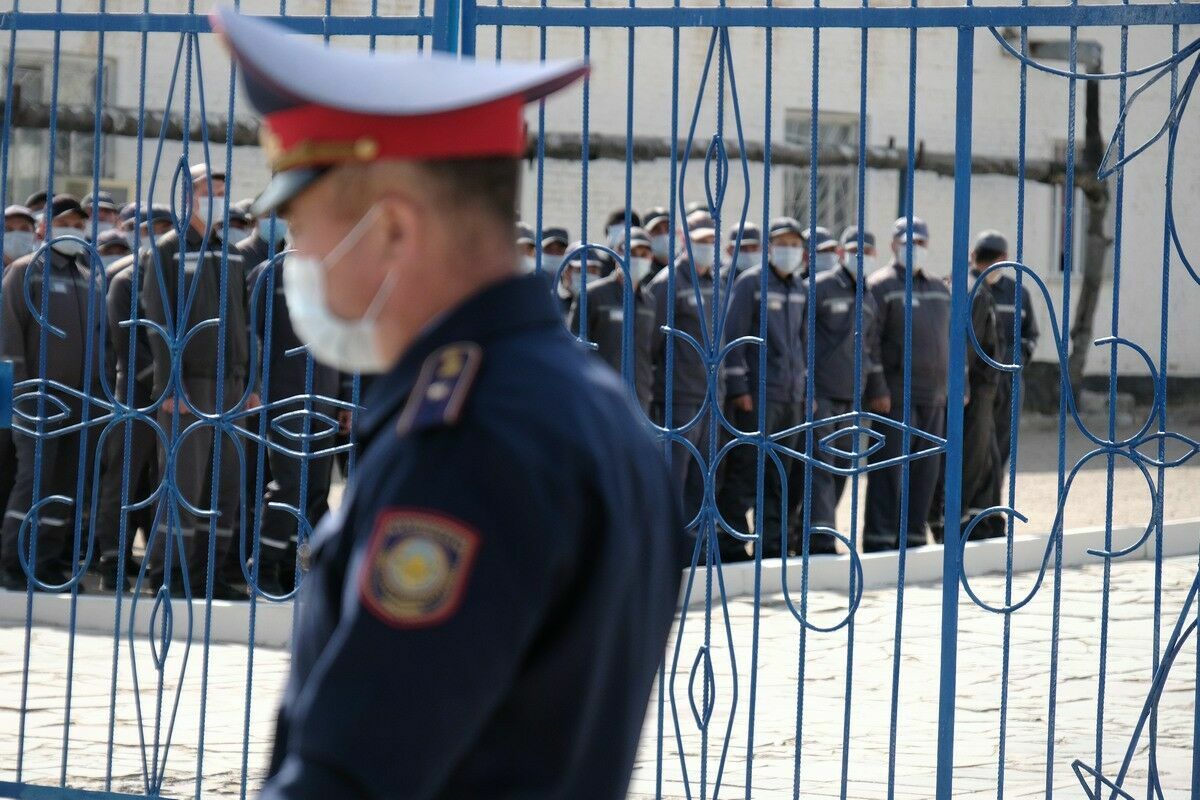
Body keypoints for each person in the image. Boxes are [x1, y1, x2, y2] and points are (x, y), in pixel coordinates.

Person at [212, 9, 685, 798]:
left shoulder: (470, 442)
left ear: (393, 229)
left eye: (299, 226)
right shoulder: (587, 402)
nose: (295, 260)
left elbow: (353, 775)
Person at [140, 162, 253, 598]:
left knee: (224, 485)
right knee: (182, 484)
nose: (217, 199)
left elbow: (244, 323)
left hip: (231, 385)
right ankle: (168, 574)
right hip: (188, 385)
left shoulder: (234, 252)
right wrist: (170, 384)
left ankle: (211, 574)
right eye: (209, 190)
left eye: (223, 191)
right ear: (187, 196)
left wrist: (250, 380)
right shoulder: (166, 250)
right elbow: (157, 321)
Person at [0, 195, 106, 590]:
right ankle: (13, 561)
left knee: (66, 485)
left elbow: (102, 343)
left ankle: (46, 562)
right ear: (44, 226)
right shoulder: (27, 273)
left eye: (79, 224)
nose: (73, 230)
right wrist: (23, 394)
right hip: (37, 401)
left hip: (82, 403)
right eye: (65, 222)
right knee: (34, 479)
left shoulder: (89, 276)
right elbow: (9, 337)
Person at [243, 220, 342, 596]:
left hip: (325, 398)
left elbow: (344, 338)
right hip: (282, 396)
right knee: (288, 487)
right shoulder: (269, 273)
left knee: (316, 492)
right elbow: (249, 336)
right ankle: (263, 570)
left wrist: (345, 394)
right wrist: (253, 387)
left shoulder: (332, 275)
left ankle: (302, 571)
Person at [718, 215, 808, 561]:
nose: (788, 251)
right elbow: (733, 338)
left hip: (790, 396)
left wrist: (804, 389)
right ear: (770, 248)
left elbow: (803, 343)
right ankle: (731, 543)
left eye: (794, 245)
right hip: (757, 395)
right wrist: (740, 386)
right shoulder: (751, 283)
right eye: (781, 244)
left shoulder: (800, 288)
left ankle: (772, 544)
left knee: (779, 473)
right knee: (745, 468)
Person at [863, 216, 950, 552]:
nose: (913, 249)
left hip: (934, 396)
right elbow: (868, 342)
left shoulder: (939, 289)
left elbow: (951, 342)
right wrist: (878, 387)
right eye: (906, 242)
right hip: (895, 396)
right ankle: (880, 541)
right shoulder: (880, 286)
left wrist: (960, 387)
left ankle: (913, 539)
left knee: (926, 472)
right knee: (889, 470)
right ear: (893, 245)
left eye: (919, 243)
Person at [804, 225, 888, 553]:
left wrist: (876, 387)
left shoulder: (868, 296)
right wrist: (807, 388)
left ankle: (811, 528)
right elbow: (803, 338)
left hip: (852, 395)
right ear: (840, 253)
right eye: (855, 250)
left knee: (842, 467)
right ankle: (820, 538)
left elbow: (871, 347)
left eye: (867, 252)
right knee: (821, 466)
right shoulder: (820, 287)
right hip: (821, 393)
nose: (860, 257)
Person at [90, 247, 159, 592]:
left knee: (162, 484)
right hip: (133, 397)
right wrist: (164, 385)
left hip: (174, 400)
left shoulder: (170, 281)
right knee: (122, 481)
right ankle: (112, 562)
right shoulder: (125, 282)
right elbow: (128, 344)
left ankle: (160, 563)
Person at [649, 207, 723, 522]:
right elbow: (652, 342)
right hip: (678, 397)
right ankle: (670, 551)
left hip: (712, 397)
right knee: (673, 479)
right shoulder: (668, 282)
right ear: (683, 239)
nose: (707, 246)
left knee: (704, 480)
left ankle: (698, 549)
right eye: (700, 240)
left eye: (711, 240)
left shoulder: (718, 281)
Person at [978, 230, 1038, 538]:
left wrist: (1019, 357)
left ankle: (993, 511)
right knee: (979, 450)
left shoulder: (1018, 293)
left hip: (1010, 383)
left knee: (1000, 451)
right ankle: (978, 514)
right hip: (979, 385)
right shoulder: (971, 288)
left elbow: (1031, 335)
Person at [567, 225, 656, 410]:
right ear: (617, 253)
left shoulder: (649, 301)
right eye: (631, 251)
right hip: (600, 397)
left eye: (644, 253)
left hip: (640, 397)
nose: (637, 258)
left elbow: (653, 349)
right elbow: (574, 346)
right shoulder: (594, 295)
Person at [601, 208, 641, 277]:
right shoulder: (599, 266)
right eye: (616, 225)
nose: (620, 231)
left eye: (627, 225)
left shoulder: (642, 266)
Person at [643, 205, 672, 274]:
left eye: (668, 229)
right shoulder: (642, 273)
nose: (663, 234)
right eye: (656, 230)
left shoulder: (688, 268)